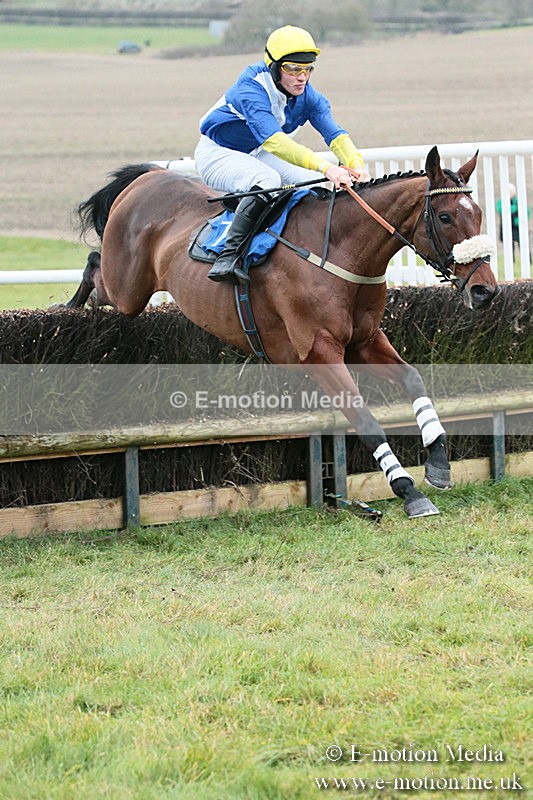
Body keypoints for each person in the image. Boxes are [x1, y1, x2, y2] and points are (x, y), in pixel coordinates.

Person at [194, 25, 371, 284]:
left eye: (308, 68)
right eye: (293, 69)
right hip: (218, 153)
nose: (302, 77)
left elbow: (335, 134)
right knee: (267, 181)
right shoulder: (251, 90)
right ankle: (228, 256)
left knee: (313, 180)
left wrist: (356, 164)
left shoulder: (309, 96)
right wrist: (327, 167)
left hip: (257, 152)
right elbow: (276, 143)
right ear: (274, 67)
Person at [496, 183, 530, 257]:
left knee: (523, 244)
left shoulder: (518, 201)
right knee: (509, 245)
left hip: (517, 227)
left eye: (510, 192)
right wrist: (514, 208)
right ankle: (511, 259)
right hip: (506, 227)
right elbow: (501, 210)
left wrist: (520, 221)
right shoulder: (501, 201)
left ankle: (527, 258)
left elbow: (527, 211)